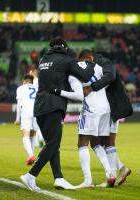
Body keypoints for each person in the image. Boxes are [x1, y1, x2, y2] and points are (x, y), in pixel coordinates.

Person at [20, 37, 95, 191]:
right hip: (53, 106)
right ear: (63, 47)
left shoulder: (43, 60)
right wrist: (90, 64)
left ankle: (59, 178)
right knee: (53, 144)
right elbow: (85, 76)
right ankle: (30, 175)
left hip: (39, 106)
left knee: (52, 145)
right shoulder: (66, 60)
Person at [79, 50, 133, 187]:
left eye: (84, 61)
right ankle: (120, 170)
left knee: (105, 143)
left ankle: (113, 177)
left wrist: (92, 87)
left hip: (112, 107)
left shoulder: (103, 63)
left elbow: (110, 76)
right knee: (101, 142)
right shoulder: (97, 65)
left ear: (89, 58)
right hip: (109, 107)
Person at [15, 74, 38, 166]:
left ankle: (31, 155)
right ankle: (32, 158)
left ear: (24, 81)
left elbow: (19, 104)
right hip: (36, 112)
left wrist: (17, 119)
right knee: (32, 135)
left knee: (25, 135)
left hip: (26, 112)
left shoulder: (21, 88)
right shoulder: (37, 88)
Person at [29, 68, 44, 148]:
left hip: (30, 105)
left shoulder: (29, 82)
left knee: (34, 125)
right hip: (39, 104)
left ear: (32, 73)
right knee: (39, 124)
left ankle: (37, 142)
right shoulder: (40, 81)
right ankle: (40, 139)